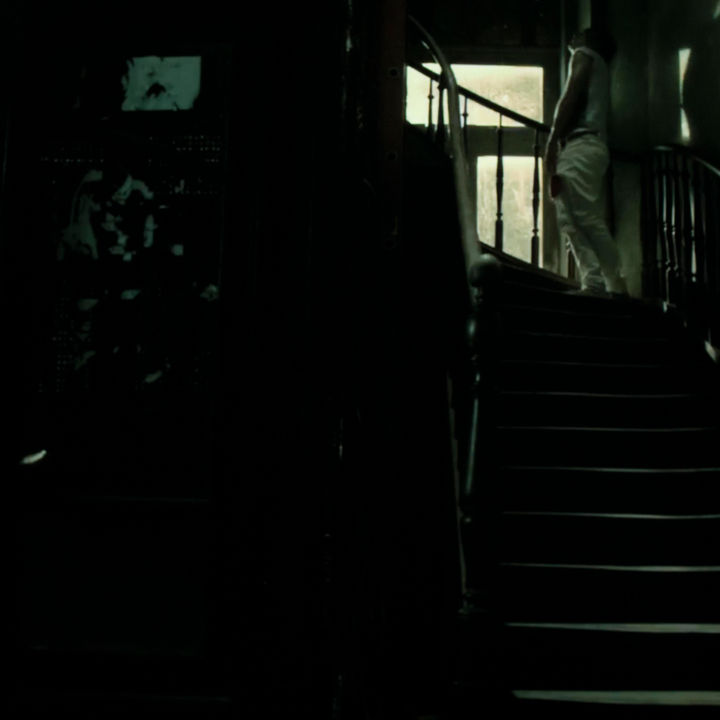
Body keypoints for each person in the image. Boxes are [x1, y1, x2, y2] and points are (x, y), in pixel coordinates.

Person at [545, 27, 627, 296]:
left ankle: (607, 283)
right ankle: (600, 282)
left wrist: (552, 141)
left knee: (580, 216)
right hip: (585, 146)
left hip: (583, 144)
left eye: (579, 34)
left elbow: (570, 95)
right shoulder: (597, 65)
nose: (574, 38)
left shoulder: (584, 54)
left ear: (590, 40)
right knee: (573, 216)